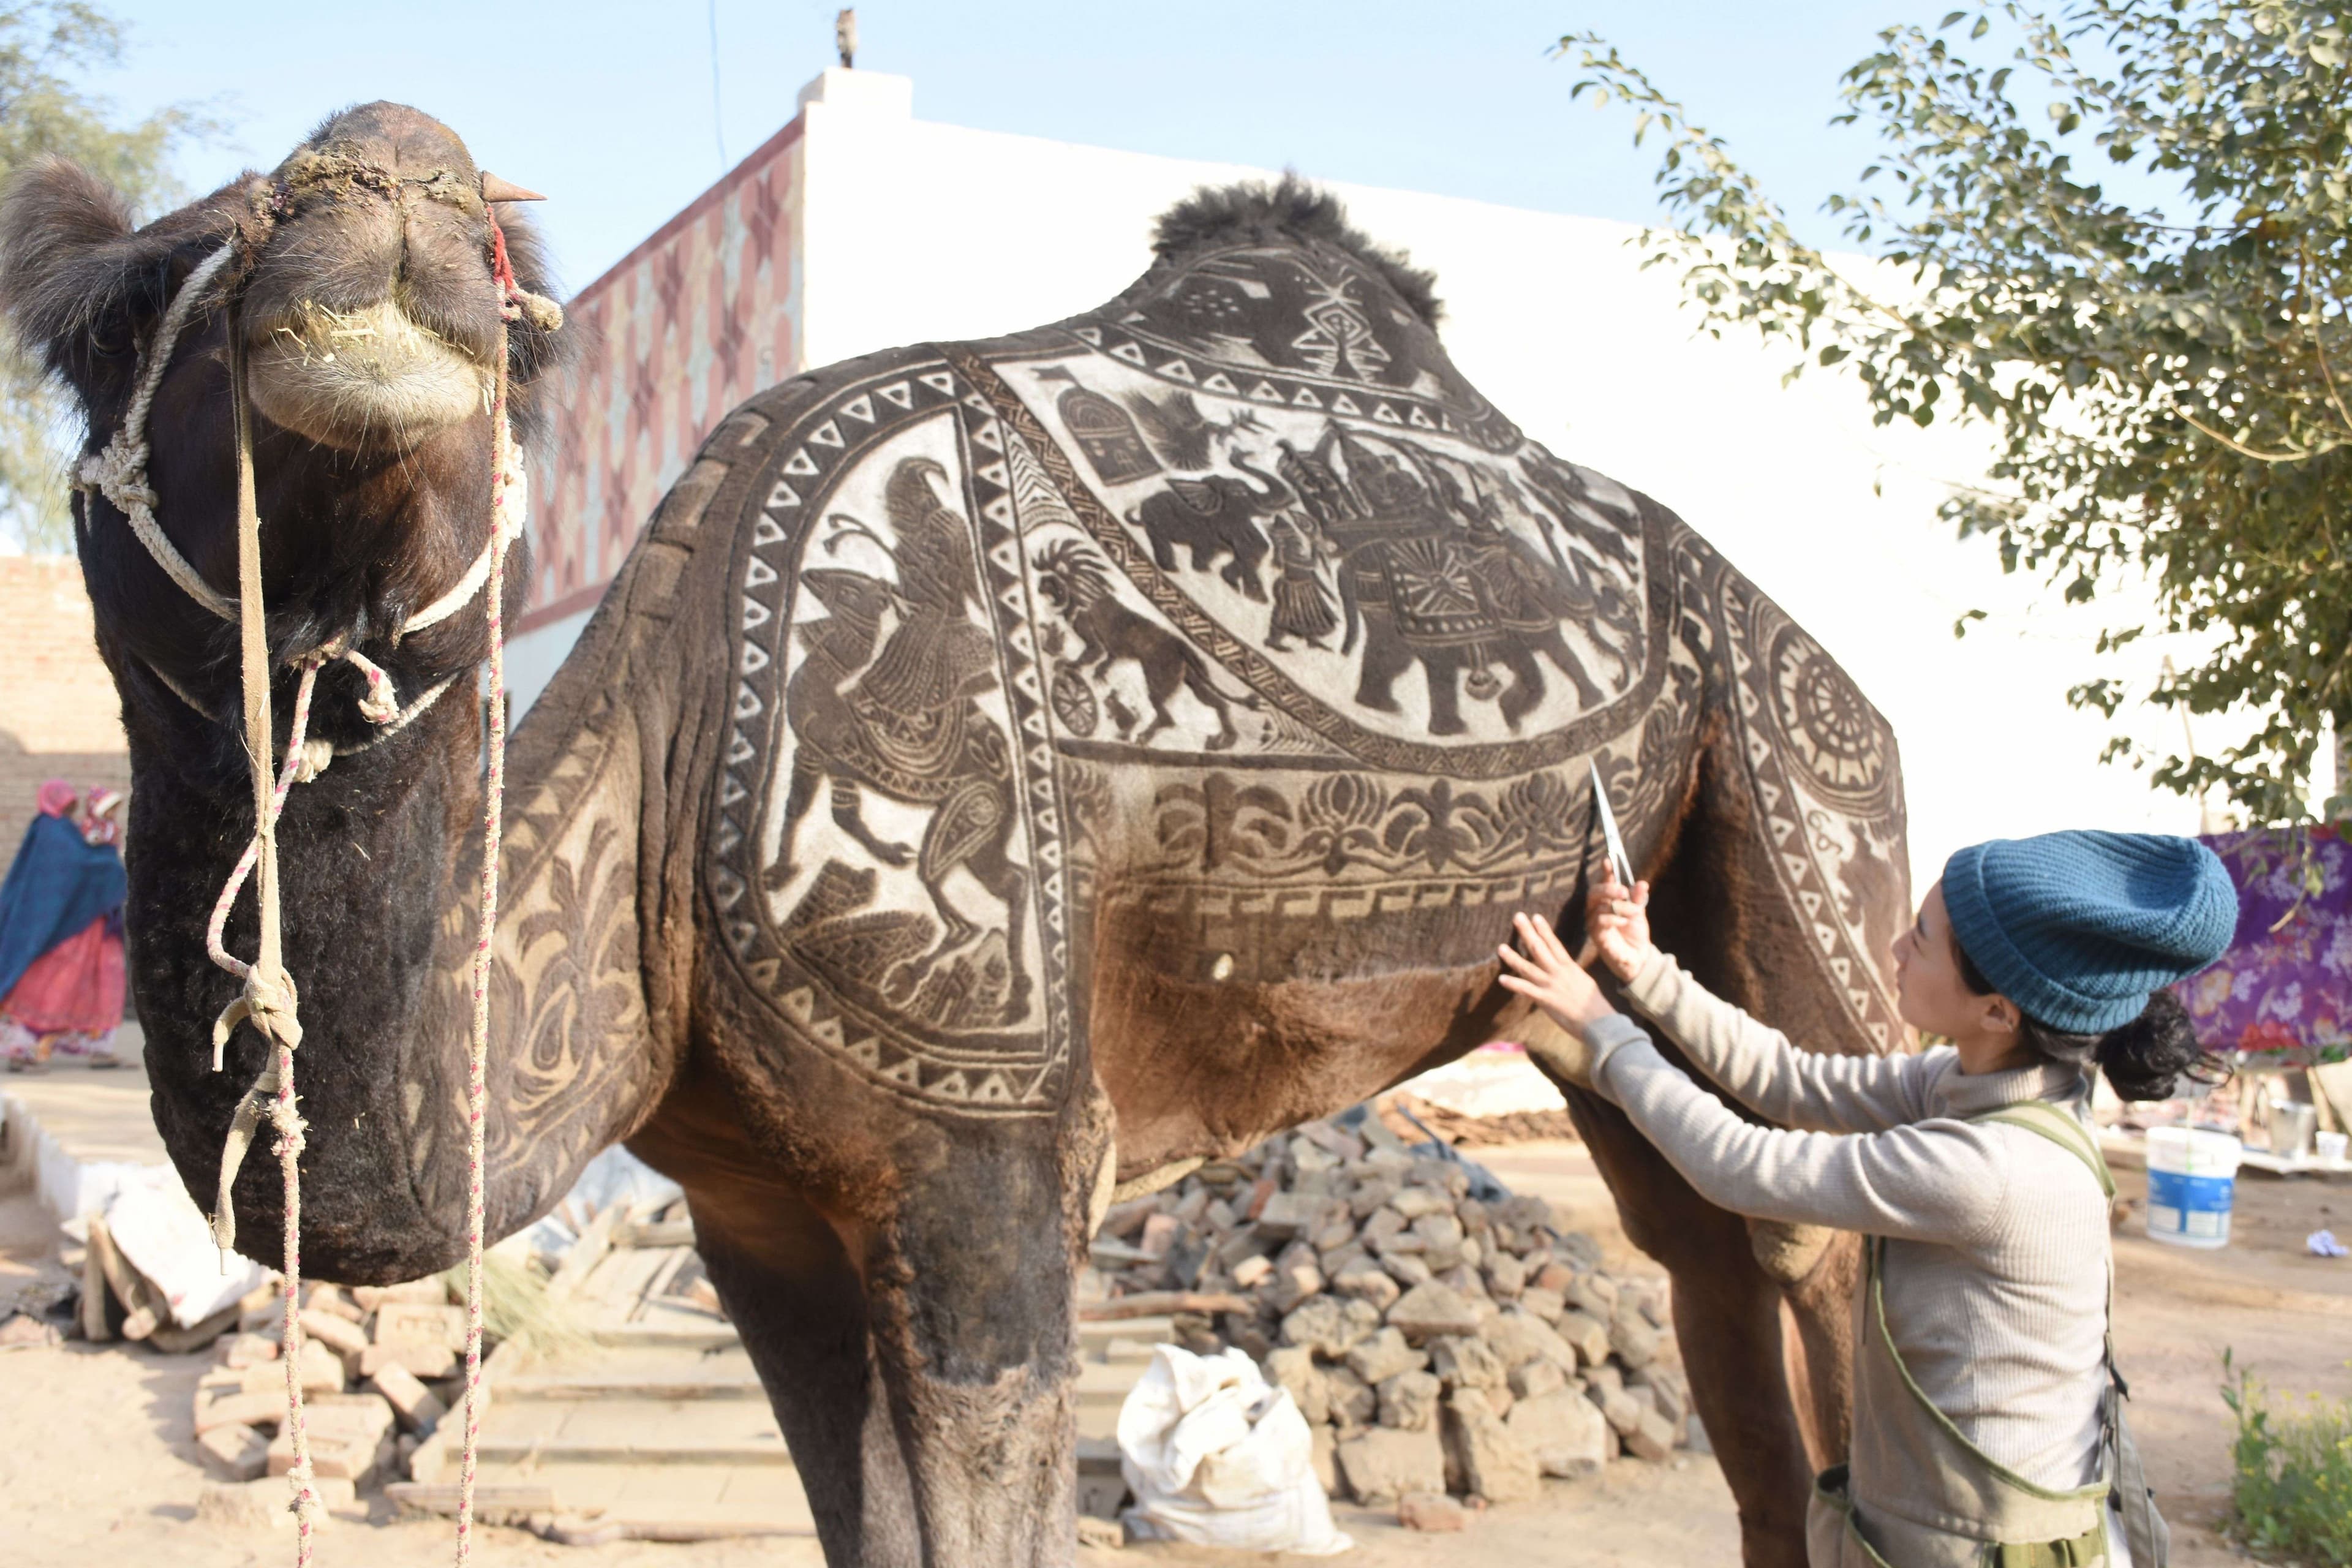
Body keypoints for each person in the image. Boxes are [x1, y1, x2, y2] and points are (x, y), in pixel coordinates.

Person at [1497, 831, 2236, 1568]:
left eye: (1922, 938)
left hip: (1988, 1549)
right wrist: (1646, 971)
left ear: (2000, 1011)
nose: (1896, 947)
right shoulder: (1976, 1085)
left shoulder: (1991, 1167)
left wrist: (1601, 1027)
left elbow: (1742, 1164)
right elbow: (1789, 1079)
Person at [0, 779, 129, 1069]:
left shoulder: (69, 831)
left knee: (102, 982)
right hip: (61, 925)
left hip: (90, 924)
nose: (71, 802)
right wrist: (108, 865)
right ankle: (23, 1048)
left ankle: (99, 1047)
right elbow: (68, 873)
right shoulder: (51, 831)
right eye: (66, 798)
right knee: (50, 983)